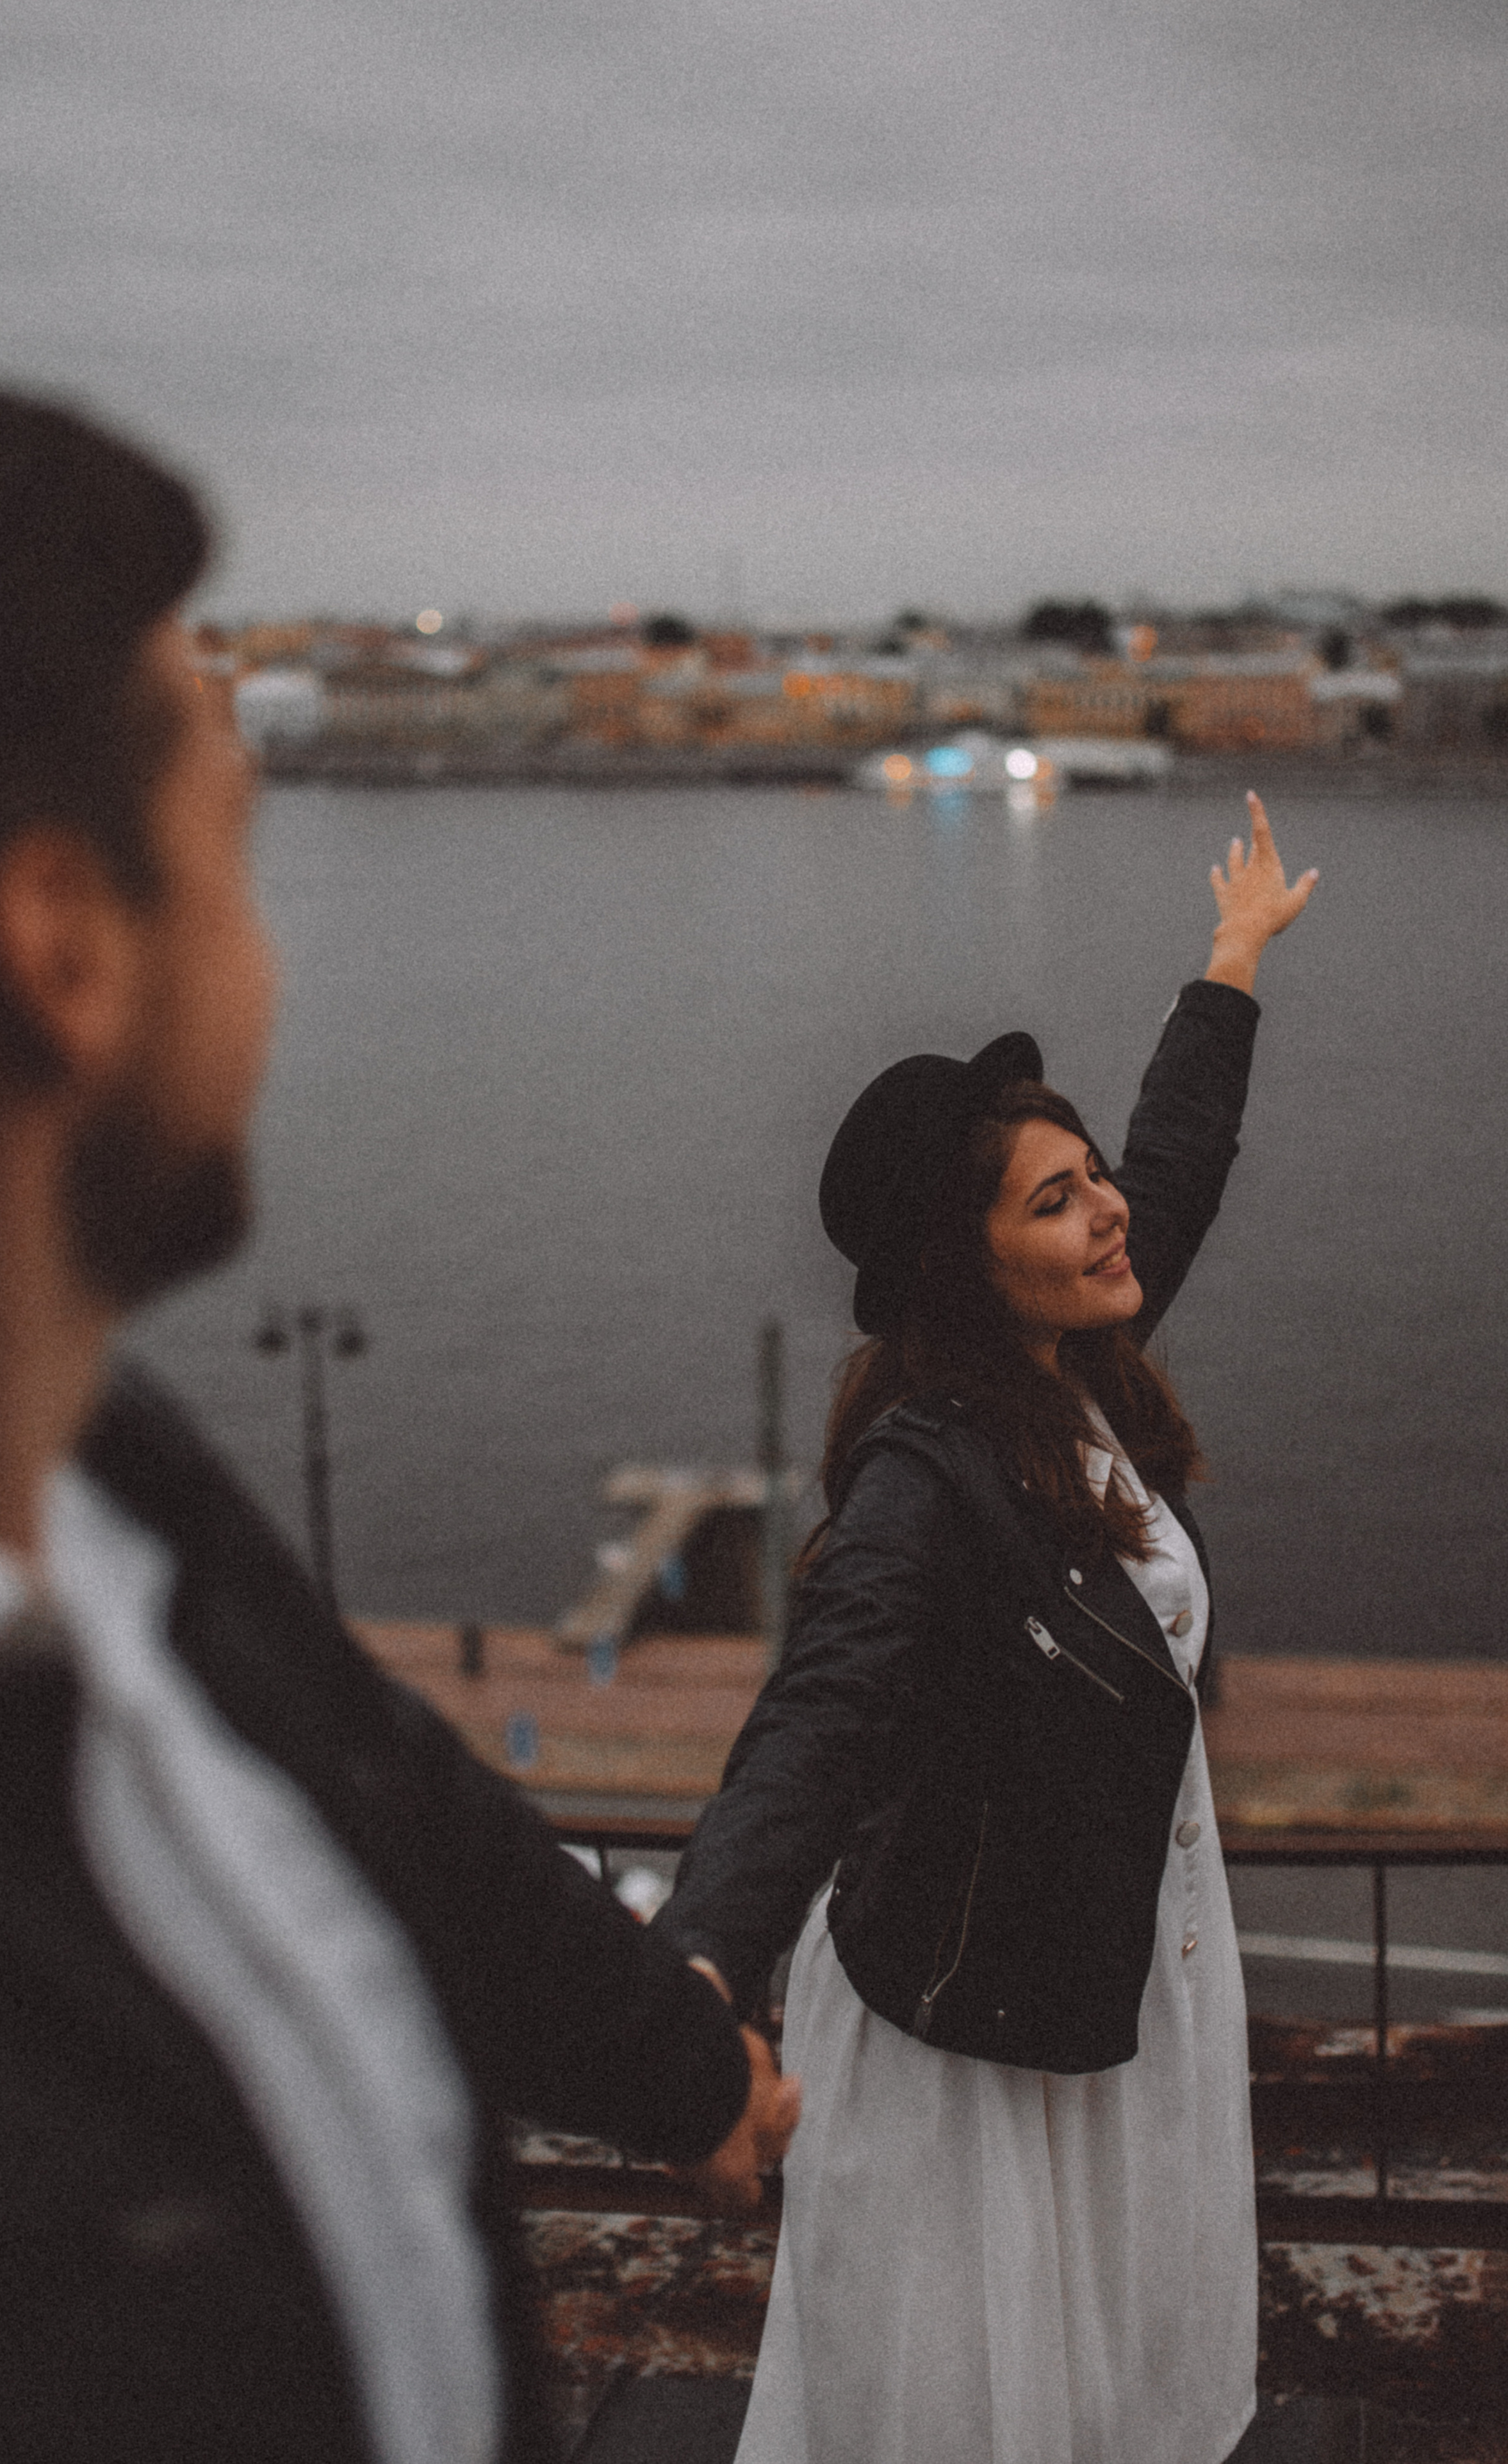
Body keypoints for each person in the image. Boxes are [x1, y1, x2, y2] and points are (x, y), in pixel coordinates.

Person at [0, 383, 798, 2464]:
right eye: (234, 853)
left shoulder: (101, 1485)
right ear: (65, 948)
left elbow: (398, 1801)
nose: (272, 970)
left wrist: (684, 2065)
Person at [655, 808, 1318, 2464]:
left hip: (1100, 1978)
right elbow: (819, 1718)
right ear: (974, 1266)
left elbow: (1174, 1161)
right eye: (1057, 1201)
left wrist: (1232, 962)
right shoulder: (928, 1478)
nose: (1108, 1215)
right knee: (973, 2407)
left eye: (1088, 1179)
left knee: (1103, 2378)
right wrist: (698, 1971)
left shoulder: (1065, 1368)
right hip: (970, 2051)